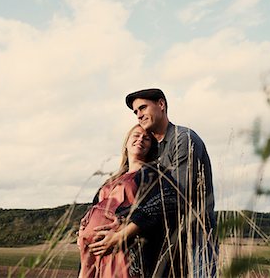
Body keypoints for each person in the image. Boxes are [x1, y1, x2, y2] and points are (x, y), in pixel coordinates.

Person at [125, 88, 218, 277]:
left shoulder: (182, 138)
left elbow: (177, 193)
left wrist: (129, 228)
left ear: (161, 104)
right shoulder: (154, 150)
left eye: (142, 108)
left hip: (196, 237)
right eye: (136, 112)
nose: (139, 115)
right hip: (167, 241)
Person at [78, 124, 177, 278]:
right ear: (126, 142)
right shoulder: (112, 179)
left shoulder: (154, 173)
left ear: (151, 147)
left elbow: (168, 200)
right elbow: (97, 208)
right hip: (98, 254)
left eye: (146, 138)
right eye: (136, 135)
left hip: (124, 250)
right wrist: (85, 225)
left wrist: (125, 224)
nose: (140, 140)